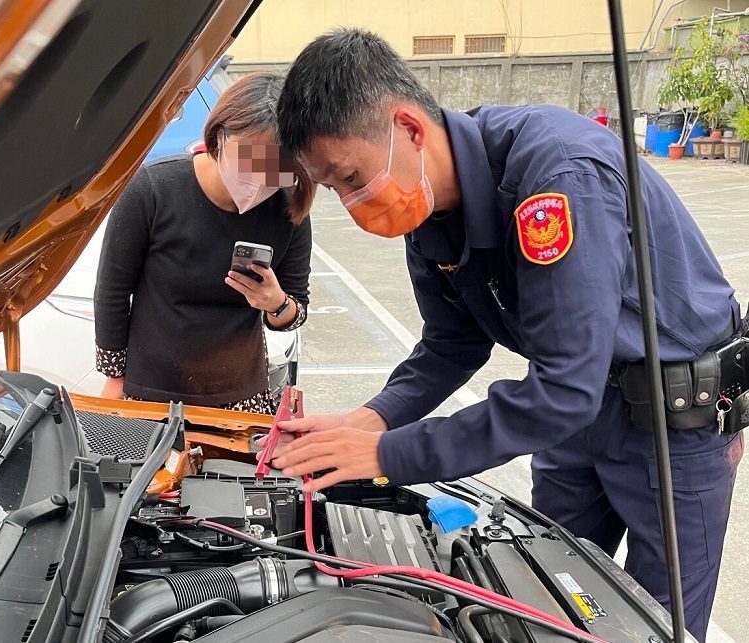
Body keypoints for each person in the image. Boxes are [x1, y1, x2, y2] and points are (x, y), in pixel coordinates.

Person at [266, 29, 743, 641]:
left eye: (351, 176)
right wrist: (370, 421)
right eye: (334, 189)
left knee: (650, 624)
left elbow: (564, 387)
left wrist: (389, 457)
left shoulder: (555, 179)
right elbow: (451, 343)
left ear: (409, 128)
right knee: (544, 601)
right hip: (574, 416)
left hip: (673, 424)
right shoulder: (430, 209)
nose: (351, 201)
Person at [94, 72, 314, 414]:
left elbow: (294, 310)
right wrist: (114, 375)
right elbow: (112, 291)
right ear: (219, 137)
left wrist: (276, 303)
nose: (259, 177)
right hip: (149, 391)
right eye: (249, 158)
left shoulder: (289, 209)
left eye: (275, 165)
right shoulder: (153, 189)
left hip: (242, 397)